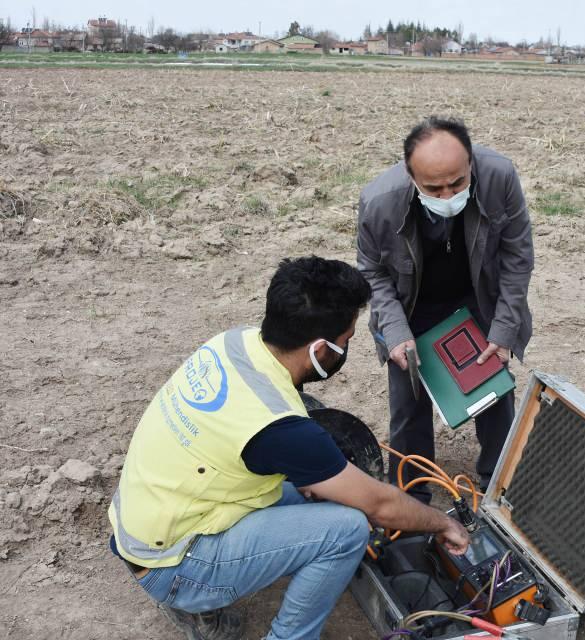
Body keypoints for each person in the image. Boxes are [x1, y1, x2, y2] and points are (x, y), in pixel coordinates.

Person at [107, 256, 469, 640]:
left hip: (144, 520)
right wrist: (444, 523)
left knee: (319, 495)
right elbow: (380, 506)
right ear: (319, 349)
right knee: (347, 528)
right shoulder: (280, 429)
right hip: (172, 566)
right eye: (345, 342)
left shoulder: (233, 343)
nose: (345, 350)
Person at [356, 116, 534, 502]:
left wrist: (502, 333)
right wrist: (397, 334)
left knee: (493, 387)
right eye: (432, 188)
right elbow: (371, 271)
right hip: (412, 300)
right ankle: (410, 493)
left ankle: (500, 488)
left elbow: (517, 260)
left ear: (471, 161)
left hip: (476, 294)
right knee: (408, 399)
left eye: (456, 183)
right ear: (409, 174)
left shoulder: (500, 178)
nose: (446, 195)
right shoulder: (379, 202)